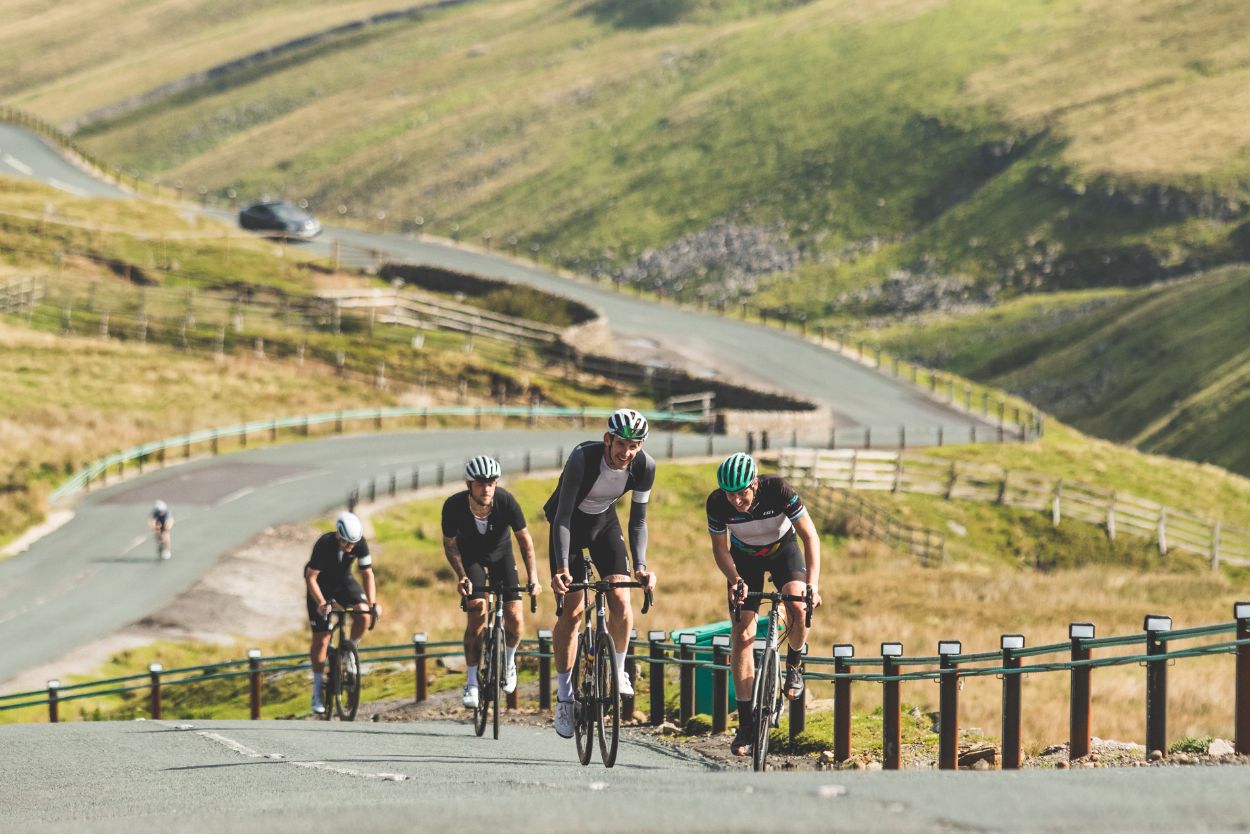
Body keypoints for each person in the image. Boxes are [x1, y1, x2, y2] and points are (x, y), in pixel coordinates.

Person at [546, 408, 658, 739]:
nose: (626, 452)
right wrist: (563, 568)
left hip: (603, 525)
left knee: (621, 598)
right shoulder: (583, 458)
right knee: (574, 610)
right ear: (607, 439)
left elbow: (638, 520)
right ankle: (565, 695)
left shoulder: (644, 466)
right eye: (621, 444)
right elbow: (563, 516)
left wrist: (640, 565)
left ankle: (619, 668)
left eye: (634, 445)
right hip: (567, 526)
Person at [706, 452, 822, 757]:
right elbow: (720, 549)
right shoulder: (717, 503)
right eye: (730, 494)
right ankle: (746, 726)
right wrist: (734, 579)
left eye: (742, 493)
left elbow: (810, 537)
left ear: (754, 484)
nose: (736, 501)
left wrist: (813, 585)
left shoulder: (778, 490)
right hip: (744, 560)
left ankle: (795, 662)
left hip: (784, 550)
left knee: (798, 606)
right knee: (742, 635)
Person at [441, 455, 541, 709]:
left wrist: (534, 579)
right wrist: (462, 576)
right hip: (471, 557)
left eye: (491, 483)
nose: (486, 488)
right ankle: (472, 682)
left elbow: (525, 541)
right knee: (477, 611)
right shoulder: (453, 506)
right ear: (469, 485)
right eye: (480, 483)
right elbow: (450, 545)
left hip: (502, 556)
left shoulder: (506, 502)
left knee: (515, 616)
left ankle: (508, 662)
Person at [304, 511, 380, 715]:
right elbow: (311, 577)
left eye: (353, 543)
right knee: (321, 638)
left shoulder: (359, 542)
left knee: (363, 614)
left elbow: (367, 573)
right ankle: (317, 689)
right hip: (320, 586)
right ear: (338, 535)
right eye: (347, 543)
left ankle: (349, 650)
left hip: (343, 582)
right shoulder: (324, 543)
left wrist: (372, 604)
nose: (351, 548)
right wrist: (320, 603)